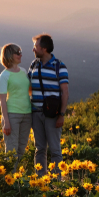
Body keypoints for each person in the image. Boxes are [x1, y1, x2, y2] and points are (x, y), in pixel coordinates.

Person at [28, 34, 69, 176]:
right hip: (35, 113)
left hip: (52, 115)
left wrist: (61, 115)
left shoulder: (59, 66)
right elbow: (27, 86)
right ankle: (40, 182)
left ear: (44, 48)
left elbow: (65, 93)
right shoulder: (33, 65)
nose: (33, 49)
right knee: (39, 149)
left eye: (36, 46)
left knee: (55, 150)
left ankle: (57, 183)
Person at [0, 43, 32, 171]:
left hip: (27, 114)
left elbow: (29, 91)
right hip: (12, 115)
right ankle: (10, 182)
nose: (20, 54)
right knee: (11, 151)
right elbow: (2, 99)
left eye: (20, 52)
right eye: (18, 52)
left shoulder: (23, 71)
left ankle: (18, 180)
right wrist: (6, 121)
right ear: (9, 55)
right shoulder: (4, 75)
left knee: (21, 149)